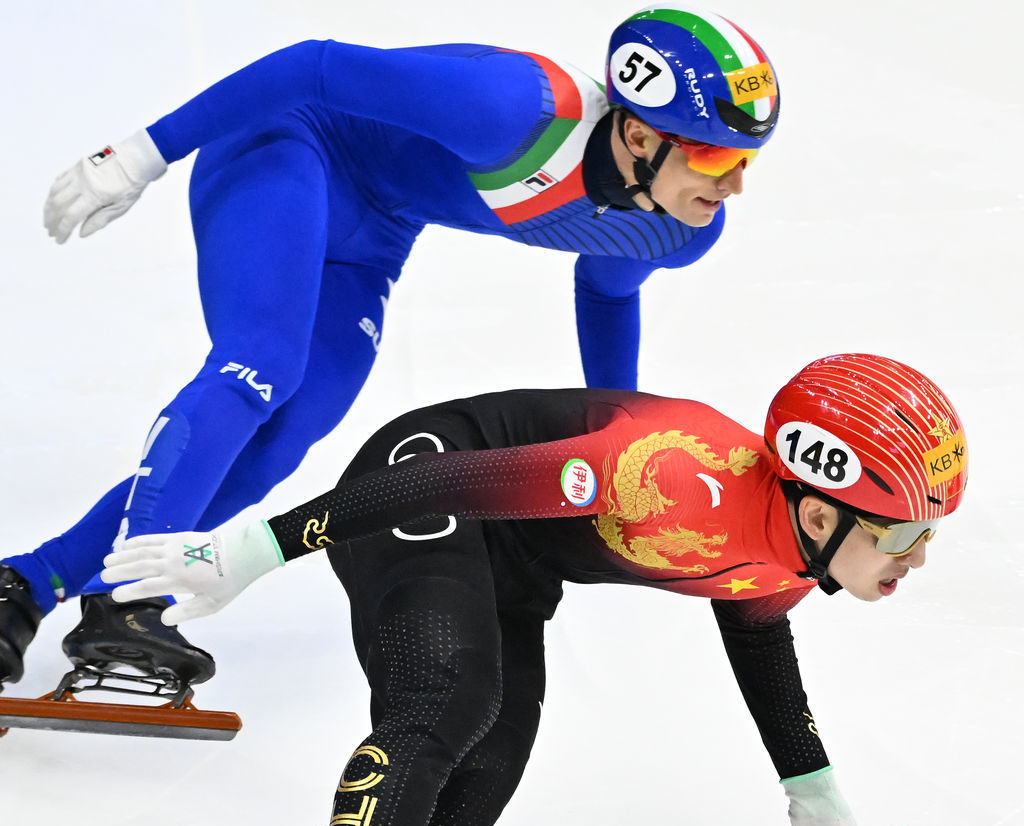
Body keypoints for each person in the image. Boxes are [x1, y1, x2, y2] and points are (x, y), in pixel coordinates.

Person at [74, 353, 967, 826]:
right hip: (422, 483)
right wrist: (261, 547)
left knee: (472, 798)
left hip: (515, 563)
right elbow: (449, 484)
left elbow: (758, 631)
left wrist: (810, 781)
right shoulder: (664, 472)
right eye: (907, 535)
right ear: (822, 514)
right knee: (446, 701)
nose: (918, 559)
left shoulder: (791, 551)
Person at [0, 8, 780, 695]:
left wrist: (623, 440)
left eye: (747, 161)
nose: (734, 185)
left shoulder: (677, 227)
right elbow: (313, 66)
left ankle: (28, 583)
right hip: (288, 142)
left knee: (283, 438)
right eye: (714, 158)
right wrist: (138, 153)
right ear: (639, 134)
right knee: (260, 363)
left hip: (375, 232)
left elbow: (608, 293)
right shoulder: (516, 110)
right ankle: (128, 595)